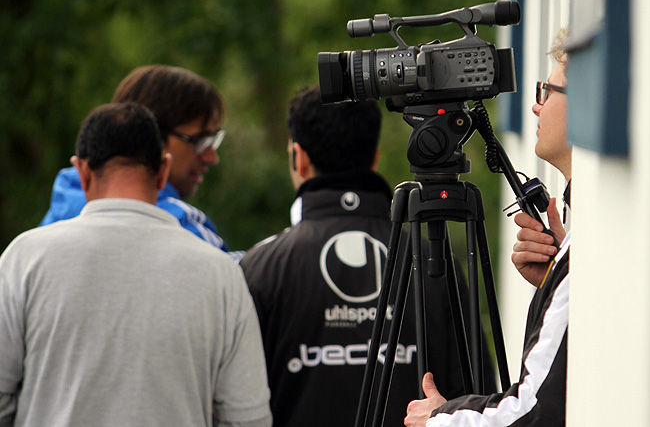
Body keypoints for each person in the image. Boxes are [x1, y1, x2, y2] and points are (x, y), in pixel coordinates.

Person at [0, 103, 272, 427]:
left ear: (82, 171)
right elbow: (247, 417)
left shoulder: (24, 259)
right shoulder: (220, 273)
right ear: (164, 170)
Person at [240, 85, 494, 426]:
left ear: (299, 158)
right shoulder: (434, 261)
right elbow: (480, 401)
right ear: (374, 157)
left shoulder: (258, 268)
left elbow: (235, 403)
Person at [404, 29, 572, 426]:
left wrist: (439, 418)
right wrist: (554, 275)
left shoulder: (582, 260)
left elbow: (531, 412)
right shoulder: (577, 251)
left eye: (548, 92)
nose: (536, 107)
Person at [39, 65, 241, 260]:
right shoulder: (179, 225)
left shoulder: (46, 230)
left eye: (214, 140)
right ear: (152, 139)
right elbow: (233, 275)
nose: (211, 157)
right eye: (201, 141)